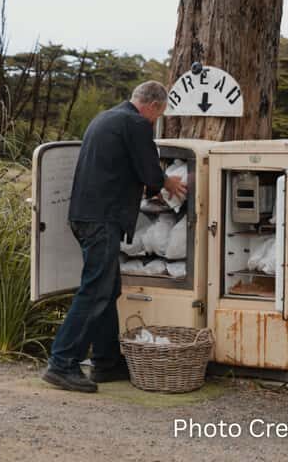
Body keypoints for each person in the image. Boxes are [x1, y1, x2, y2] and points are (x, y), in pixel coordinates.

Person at [41, 81, 188, 393]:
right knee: (95, 290)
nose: (154, 120)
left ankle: (107, 363)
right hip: (103, 218)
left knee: (108, 288)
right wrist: (168, 183)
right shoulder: (136, 123)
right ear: (155, 107)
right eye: (157, 115)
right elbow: (150, 175)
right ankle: (62, 362)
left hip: (83, 216)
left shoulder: (105, 117)